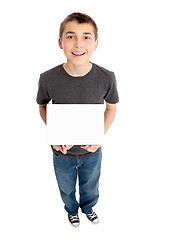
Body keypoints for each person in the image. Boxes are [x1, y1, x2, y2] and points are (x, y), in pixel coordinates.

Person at [36, 12, 119, 227]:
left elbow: (111, 107)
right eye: (71, 36)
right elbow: (42, 106)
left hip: (92, 150)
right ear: (60, 42)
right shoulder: (47, 78)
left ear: (96, 43)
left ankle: (88, 207)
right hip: (61, 151)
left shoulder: (106, 77)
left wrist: (99, 136)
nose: (78, 44)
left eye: (86, 37)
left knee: (91, 185)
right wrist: (54, 134)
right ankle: (71, 210)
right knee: (66, 187)